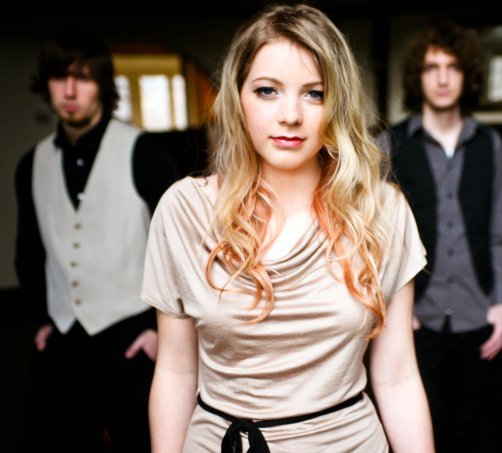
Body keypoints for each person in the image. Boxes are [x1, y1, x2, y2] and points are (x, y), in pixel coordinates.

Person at [141, 4, 434, 452]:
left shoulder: (381, 211)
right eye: (267, 91)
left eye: (314, 94)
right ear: (237, 97)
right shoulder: (184, 210)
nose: (291, 115)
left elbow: (397, 376)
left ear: (338, 103)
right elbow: (176, 369)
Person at [14, 31, 179, 452]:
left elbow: (180, 249)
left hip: (133, 337)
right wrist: (41, 319)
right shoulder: (31, 164)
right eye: (60, 78)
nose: (70, 91)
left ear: (102, 85)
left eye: (83, 78)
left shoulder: (145, 152)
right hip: (62, 339)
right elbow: (28, 251)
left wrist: (160, 331)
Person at [378, 19, 502, 452]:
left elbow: (500, 233)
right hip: (416, 317)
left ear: (467, 75)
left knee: (475, 431)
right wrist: (394, 309)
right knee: (420, 430)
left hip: (478, 315)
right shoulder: (389, 144)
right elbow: (375, 239)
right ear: (417, 76)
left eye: (452, 67)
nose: (441, 78)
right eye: (431, 67)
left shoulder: (489, 144)